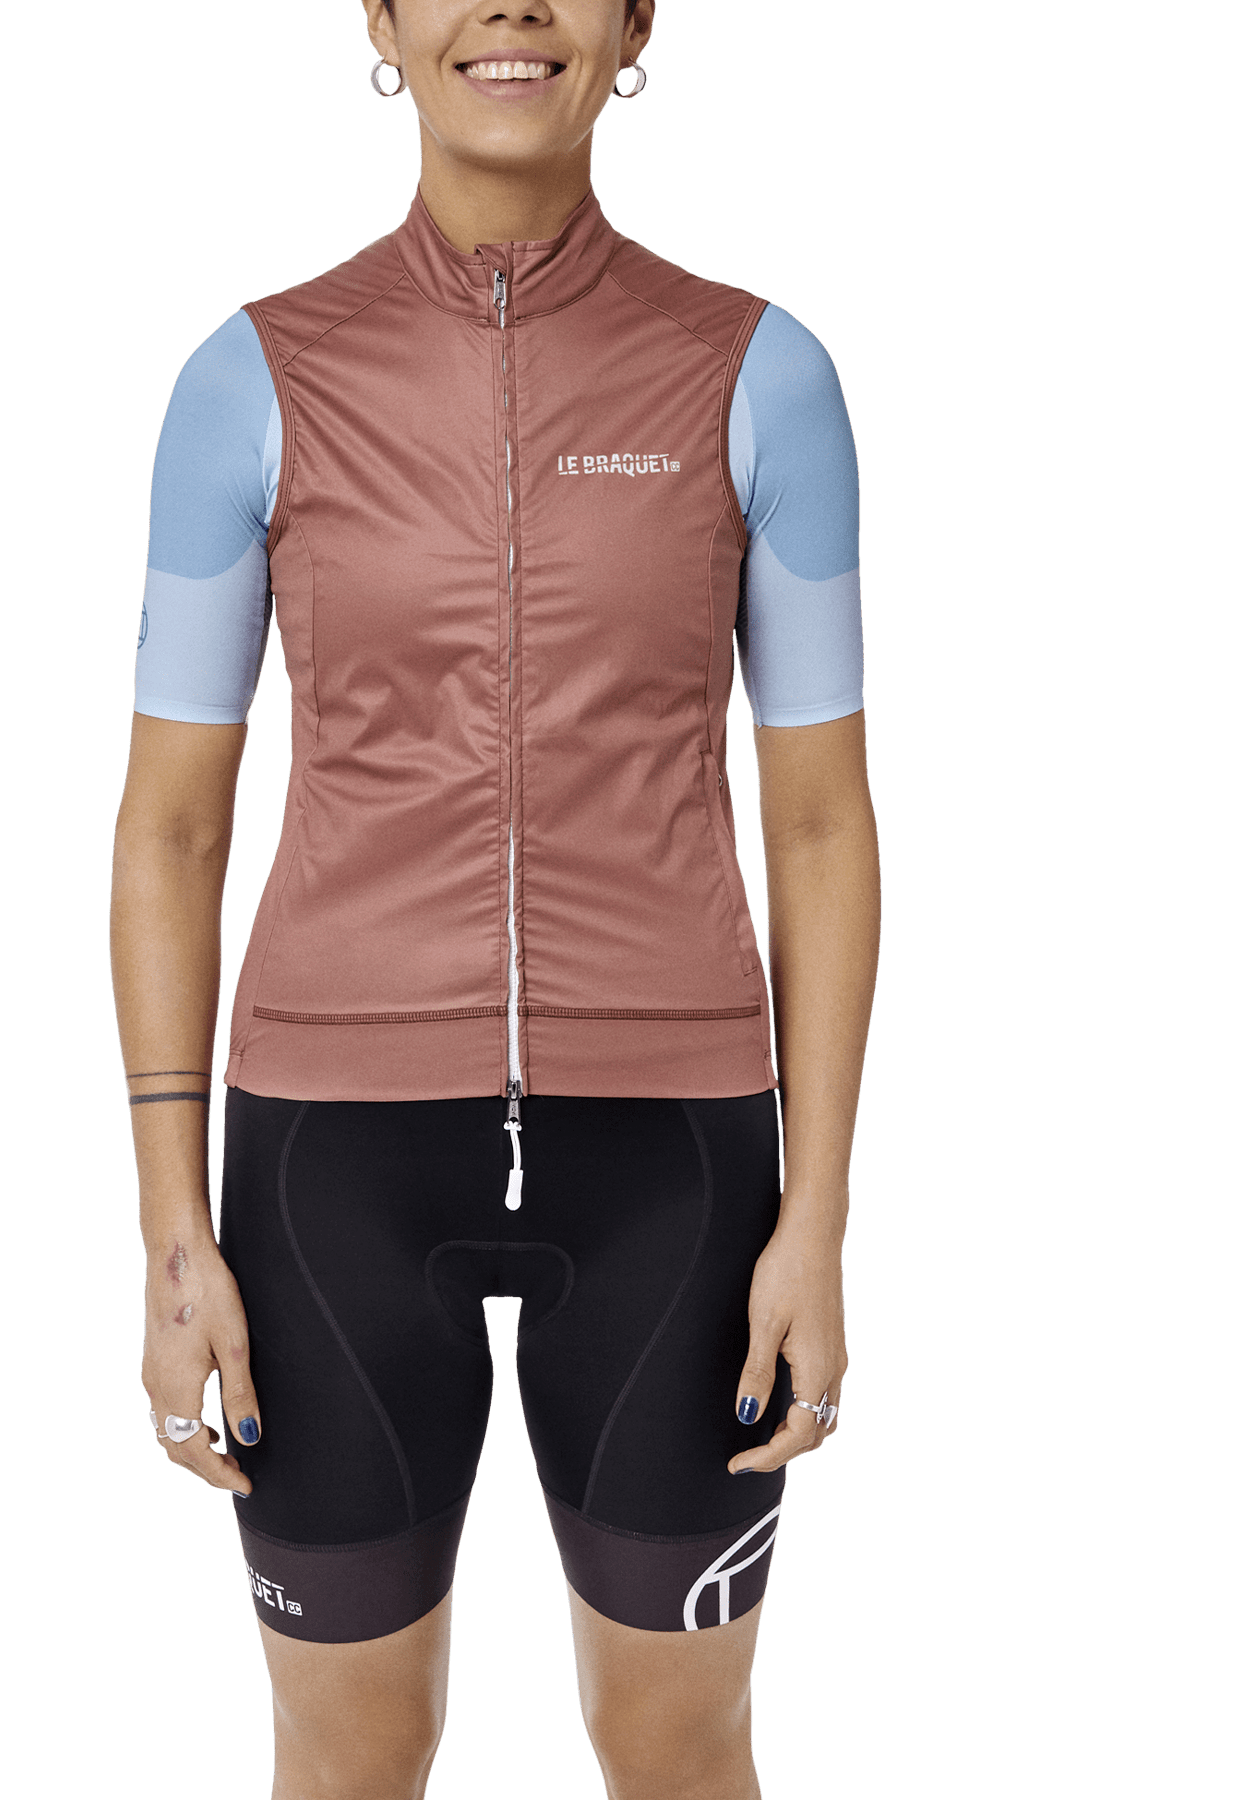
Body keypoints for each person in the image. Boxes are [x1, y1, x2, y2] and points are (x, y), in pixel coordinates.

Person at [108, 3, 880, 1794]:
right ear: (384, 22)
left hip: (678, 1170)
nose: (513, 9)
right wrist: (171, 1236)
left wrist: (820, 1218)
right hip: (330, 1173)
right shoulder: (249, 380)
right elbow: (168, 829)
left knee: (679, 1744)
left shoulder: (761, 376)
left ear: (635, 21)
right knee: (349, 1754)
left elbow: (825, 827)